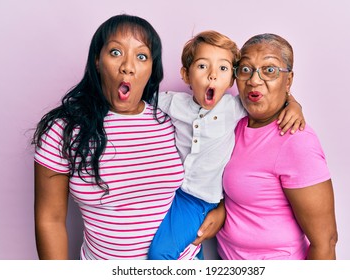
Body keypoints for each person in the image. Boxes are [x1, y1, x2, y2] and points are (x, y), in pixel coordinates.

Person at [32, 14, 225, 260]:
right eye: (115, 52)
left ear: (152, 69)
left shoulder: (172, 119)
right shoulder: (64, 130)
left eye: (141, 56)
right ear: (97, 62)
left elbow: (216, 159)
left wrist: (221, 209)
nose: (128, 66)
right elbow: (51, 220)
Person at [148, 31, 306, 260]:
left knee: (160, 254)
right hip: (173, 193)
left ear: (232, 80)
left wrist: (294, 104)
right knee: (188, 251)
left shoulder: (234, 107)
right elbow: (138, 98)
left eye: (223, 69)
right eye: (203, 66)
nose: (213, 75)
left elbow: (268, 98)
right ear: (185, 74)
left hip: (199, 198)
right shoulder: (173, 102)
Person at [216, 33, 338, 260]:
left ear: (288, 80)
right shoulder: (230, 123)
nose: (254, 80)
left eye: (269, 70)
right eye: (245, 69)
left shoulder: (296, 140)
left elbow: (326, 242)